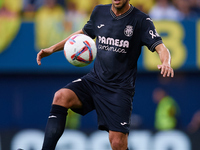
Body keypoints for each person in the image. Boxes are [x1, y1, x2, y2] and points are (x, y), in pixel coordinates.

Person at [36, 0, 174, 149]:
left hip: (118, 90)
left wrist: (166, 62)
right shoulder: (99, 12)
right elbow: (82, 34)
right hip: (94, 81)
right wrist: (52, 49)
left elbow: (161, 47)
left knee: (117, 143)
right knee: (61, 96)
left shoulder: (141, 20)